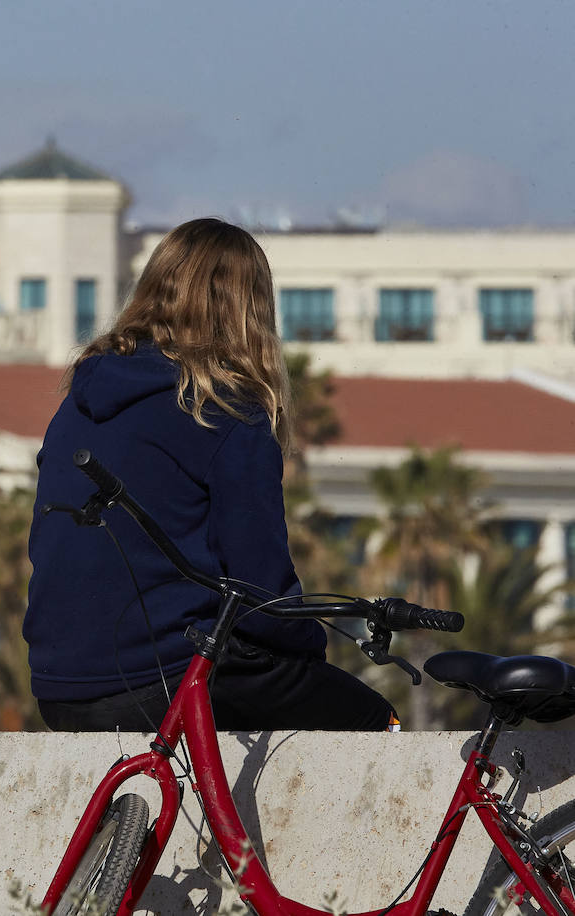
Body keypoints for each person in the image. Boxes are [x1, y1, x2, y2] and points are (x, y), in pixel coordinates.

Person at [24, 217, 394, 733]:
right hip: (167, 679)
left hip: (59, 686)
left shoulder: (77, 402)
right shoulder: (221, 411)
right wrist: (309, 651)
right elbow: (263, 590)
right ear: (251, 311)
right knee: (372, 719)